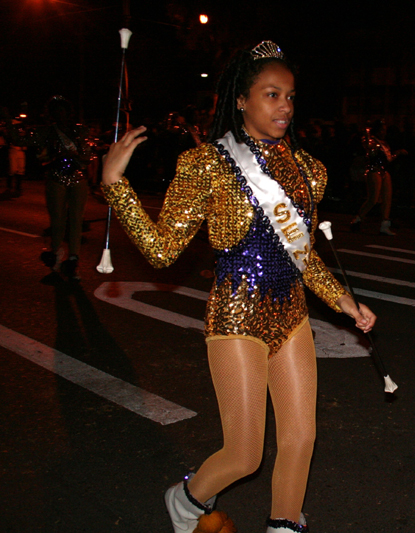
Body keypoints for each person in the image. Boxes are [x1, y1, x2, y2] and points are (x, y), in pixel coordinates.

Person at [102, 41, 376, 533]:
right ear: (242, 100)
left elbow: (304, 257)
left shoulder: (309, 171)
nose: (285, 107)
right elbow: (162, 250)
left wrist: (343, 300)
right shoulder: (206, 164)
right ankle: (186, 500)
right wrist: (115, 186)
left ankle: (285, 524)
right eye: (272, 95)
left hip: (292, 314)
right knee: (245, 454)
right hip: (236, 315)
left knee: (300, 439)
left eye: (290, 96)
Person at [5, 96, 93, 279]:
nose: (60, 114)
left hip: (78, 178)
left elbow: (87, 155)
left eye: (63, 110)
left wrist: (78, 155)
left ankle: (73, 260)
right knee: (58, 221)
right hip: (55, 178)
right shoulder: (45, 132)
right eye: (56, 111)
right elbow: (19, 140)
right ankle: (56, 255)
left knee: (76, 221)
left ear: (69, 112)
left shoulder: (80, 130)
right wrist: (7, 120)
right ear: (51, 114)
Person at [350, 119, 403, 235]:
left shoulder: (384, 143)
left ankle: (385, 224)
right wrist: (367, 133)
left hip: (384, 171)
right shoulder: (371, 141)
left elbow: (389, 159)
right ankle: (357, 220)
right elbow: (370, 150)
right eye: (382, 130)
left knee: (387, 199)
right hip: (373, 170)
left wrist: (398, 153)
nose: (384, 132)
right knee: (373, 199)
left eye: (385, 130)